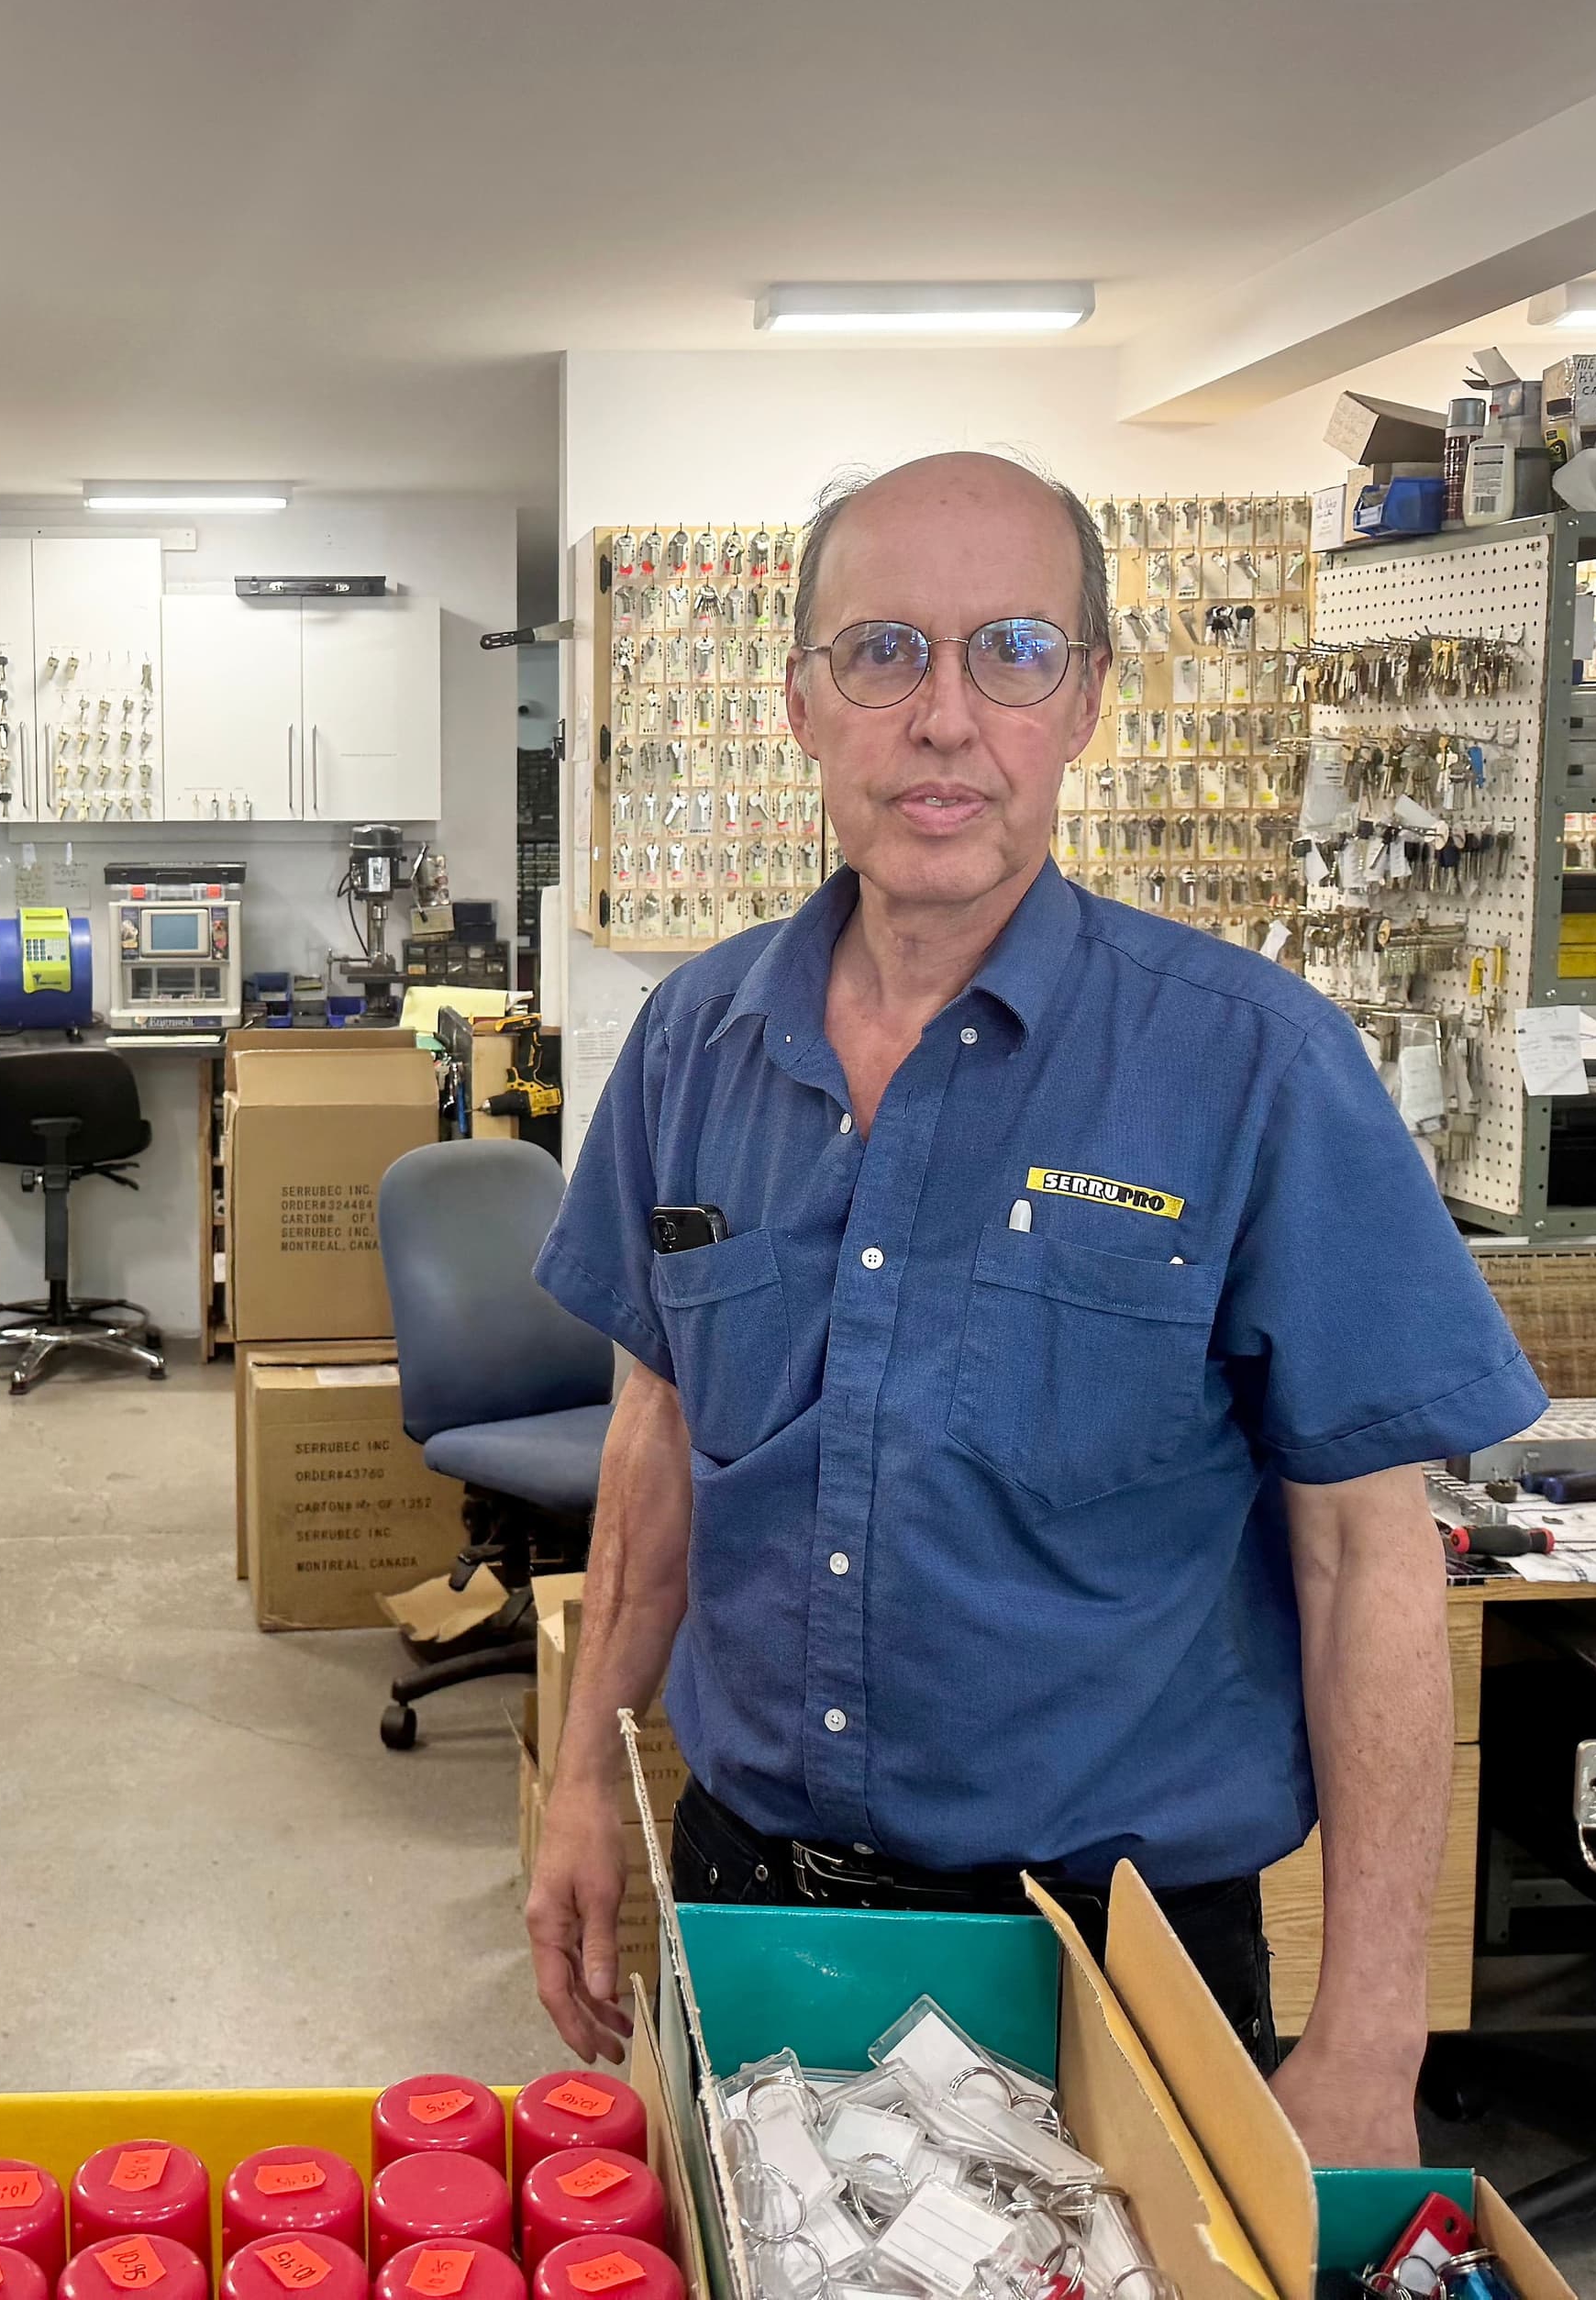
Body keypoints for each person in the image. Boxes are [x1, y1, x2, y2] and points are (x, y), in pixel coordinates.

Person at [524, 451, 1539, 2165]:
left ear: (1083, 701)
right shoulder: (693, 1049)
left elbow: (1370, 1561)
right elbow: (661, 1432)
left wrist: (1374, 2033)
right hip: (757, 1906)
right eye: (883, 654)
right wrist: (574, 1777)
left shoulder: (1252, 1067)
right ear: (801, 704)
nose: (943, 718)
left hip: (1116, 1957)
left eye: (1010, 650)